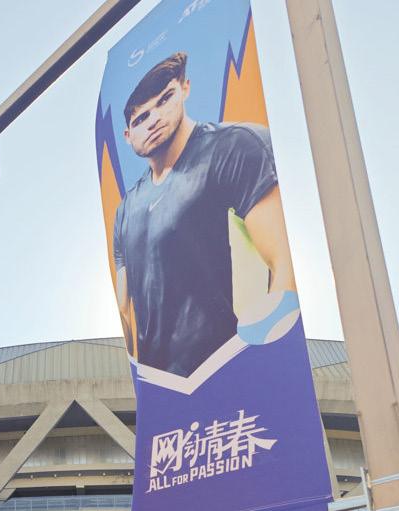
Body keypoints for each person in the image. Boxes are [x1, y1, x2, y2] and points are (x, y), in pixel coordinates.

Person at [112, 51, 298, 380]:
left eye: (165, 99)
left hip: (233, 372)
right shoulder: (125, 210)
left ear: (185, 88)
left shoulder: (236, 147)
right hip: (164, 392)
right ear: (128, 136)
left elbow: (284, 264)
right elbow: (125, 310)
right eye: (140, 118)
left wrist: (265, 366)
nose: (153, 120)